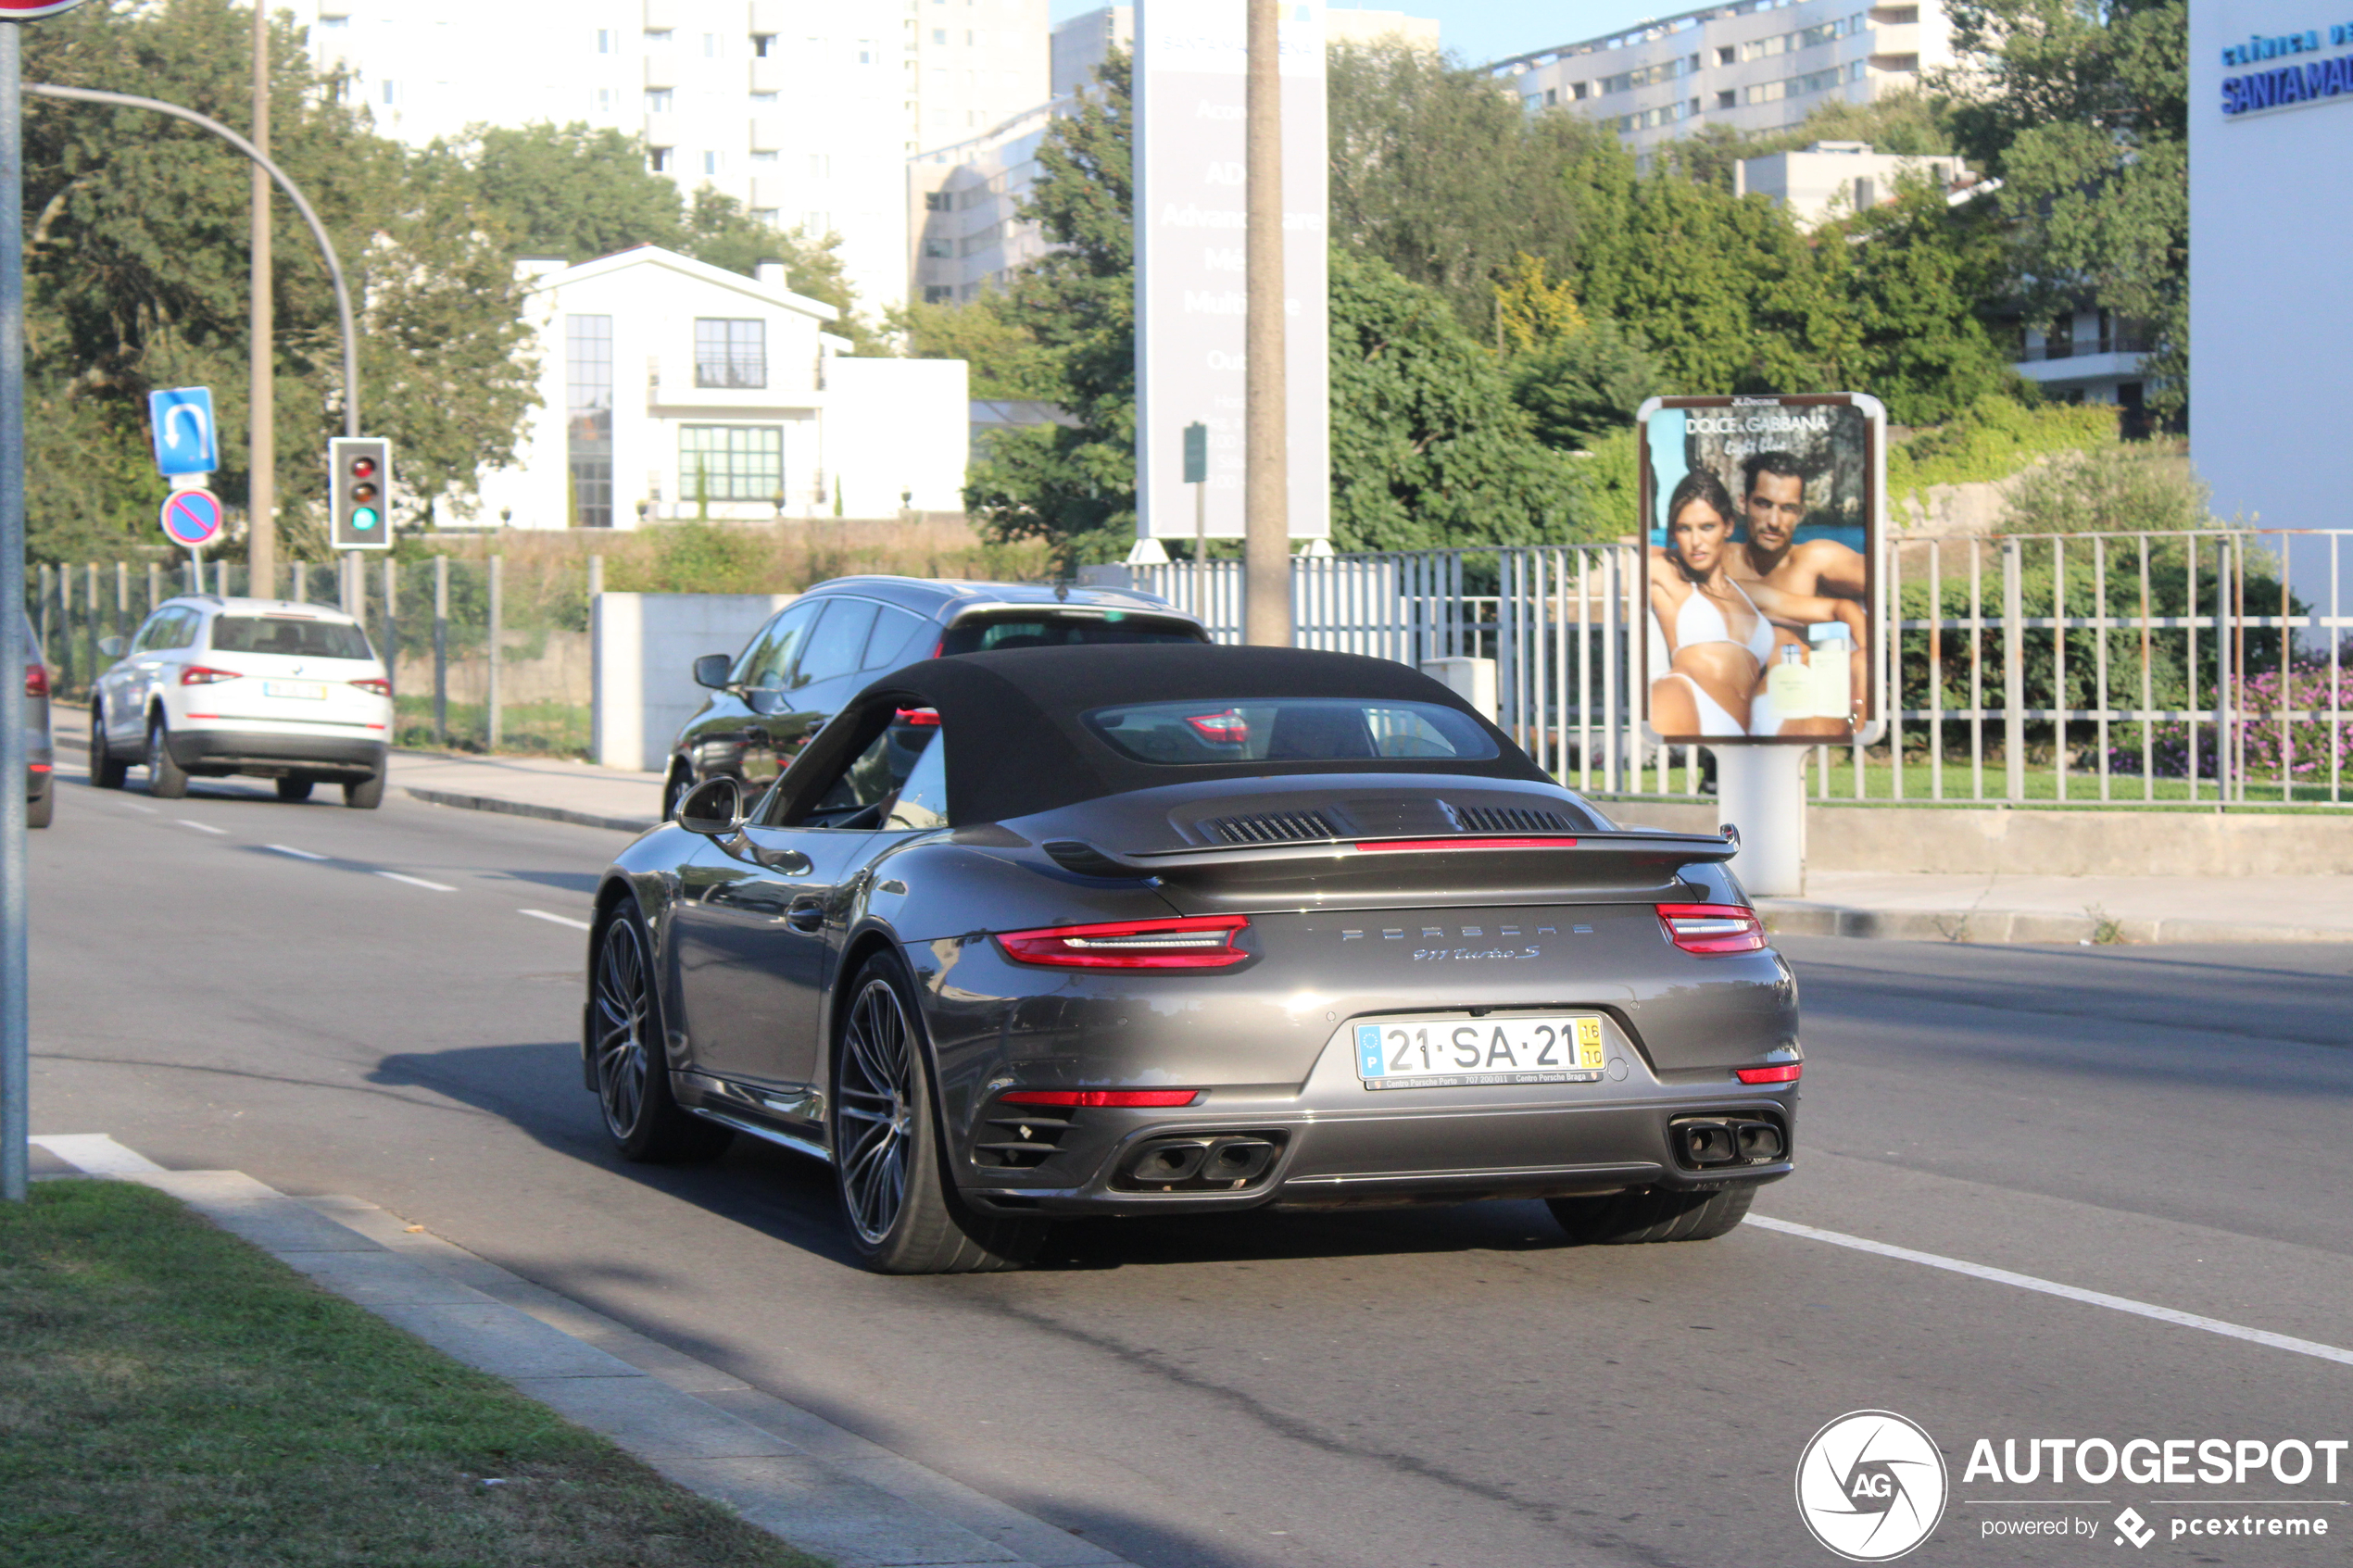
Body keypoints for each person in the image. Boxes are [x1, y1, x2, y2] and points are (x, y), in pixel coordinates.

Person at [1648, 469, 1861, 739]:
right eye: (1683, 529)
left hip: (1745, 724)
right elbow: (1614, 562)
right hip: (1689, 696)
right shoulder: (1667, 575)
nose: (1696, 542)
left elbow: (1841, 609)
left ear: (1727, 526)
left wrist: (1867, 653)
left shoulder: (1749, 593)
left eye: (1707, 527)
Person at [1724, 452, 1869, 730]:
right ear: (1743, 503)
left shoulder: (1814, 559)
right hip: (1731, 699)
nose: (1775, 521)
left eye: (1788, 508)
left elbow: (1885, 575)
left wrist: (1866, 652)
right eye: (1764, 505)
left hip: (1794, 695)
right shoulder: (1718, 562)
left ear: (1800, 513)